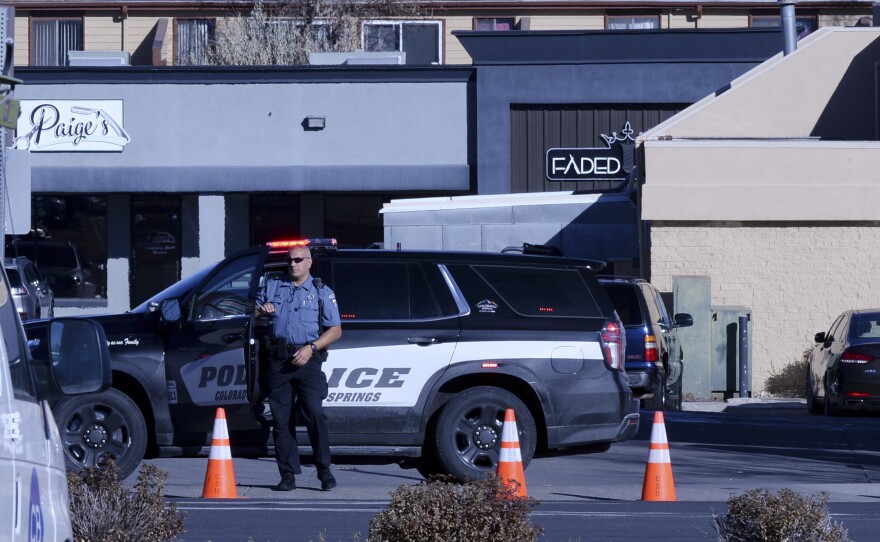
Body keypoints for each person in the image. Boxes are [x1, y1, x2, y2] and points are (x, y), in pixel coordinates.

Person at [255, 245, 342, 491]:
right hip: (278, 359)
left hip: (308, 358)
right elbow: (250, 315)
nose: (293, 264)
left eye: (298, 259)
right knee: (281, 421)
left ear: (309, 262)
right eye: (290, 260)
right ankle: (288, 475)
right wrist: (261, 312)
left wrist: (311, 348)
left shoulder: (321, 292)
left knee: (314, 413)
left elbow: (335, 330)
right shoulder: (272, 287)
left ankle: (324, 470)